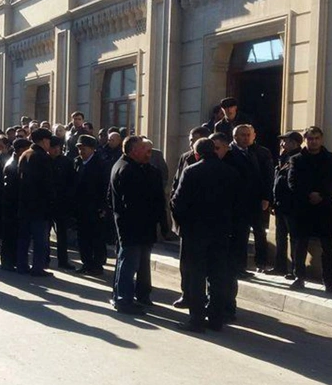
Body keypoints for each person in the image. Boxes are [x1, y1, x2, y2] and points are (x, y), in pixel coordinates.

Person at [172, 137, 238, 332]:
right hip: (221, 231)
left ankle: (197, 319)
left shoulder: (192, 171)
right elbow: (237, 203)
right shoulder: (230, 172)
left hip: (196, 231)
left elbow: (178, 202)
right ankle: (216, 319)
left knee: (196, 276)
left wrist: (182, 223)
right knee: (217, 275)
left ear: (196, 154)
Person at [109, 136, 165, 312]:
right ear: (134, 151)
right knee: (128, 263)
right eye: (144, 149)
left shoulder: (135, 167)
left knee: (133, 262)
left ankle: (131, 296)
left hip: (137, 226)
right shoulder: (127, 169)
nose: (149, 153)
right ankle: (123, 300)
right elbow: (132, 202)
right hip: (132, 226)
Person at [288, 126, 332, 292]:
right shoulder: (296, 159)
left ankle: (328, 281)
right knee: (300, 244)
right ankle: (299, 277)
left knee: (327, 246)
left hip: (324, 207)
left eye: (316, 138)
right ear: (305, 140)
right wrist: (308, 194)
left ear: (321, 139)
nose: (313, 141)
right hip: (303, 207)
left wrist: (323, 195)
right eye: (310, 139)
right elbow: (292, 181)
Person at [223, 125, 269, 279]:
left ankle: (250, 265)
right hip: (237, 202)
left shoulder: (254, 152)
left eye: (248, 135)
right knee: (239, 236)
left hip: (253, 201)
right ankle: (238, 267)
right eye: (242, 135)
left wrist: (265, 197)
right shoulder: (229, 153)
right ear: (235, 136)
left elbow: (262, 176)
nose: (246, 138)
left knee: (254, 232)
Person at [17, 128, 55, 276]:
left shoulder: (24, 154)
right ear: (44, 140)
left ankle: (22, 265)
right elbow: (47, 183)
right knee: (40, 240)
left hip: (24, 203)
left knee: (24, 238)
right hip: (40, 205)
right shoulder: (43, 157)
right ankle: (37, 268)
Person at [72, 134, 109, 276]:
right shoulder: (77, 162)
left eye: (84, 148)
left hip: (95, 208)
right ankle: (86, 263)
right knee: (83, 238)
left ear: (92, 149)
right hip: (80, 208)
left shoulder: (101, 164)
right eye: (79, 148)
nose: (81, 151)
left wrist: (103, 207)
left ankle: (97, 265)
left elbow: (105, 187)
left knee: (96, 238)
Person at [267, 130, 302, 279]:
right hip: (280, 204)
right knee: (280, 237)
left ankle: (295, 270)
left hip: (292, 205)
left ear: (294, 143)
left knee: (294, 238)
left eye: (285, 141)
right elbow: (277, 180)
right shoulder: (283, 157)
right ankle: (280, 266)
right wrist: (273, 201)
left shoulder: (299, 158)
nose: (282, 144)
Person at [0, 138, 30, 272]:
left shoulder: (15, 162)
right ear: (21, 150)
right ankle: (9, 262)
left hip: (13, 205)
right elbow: (12, 189)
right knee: (11, 236)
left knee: (13, 235)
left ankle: (12, 261)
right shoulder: (13, 165)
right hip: (12, 206)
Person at [49, 134, 76, 269]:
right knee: (44, 232)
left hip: (62, 202)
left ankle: (63, 260)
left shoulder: (66, 162)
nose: (56, 150)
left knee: (62, 234)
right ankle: (44, 259)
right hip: (47, 201)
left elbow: (72, 182)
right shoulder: (44, 161)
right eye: (53, 147)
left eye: (58, 147)